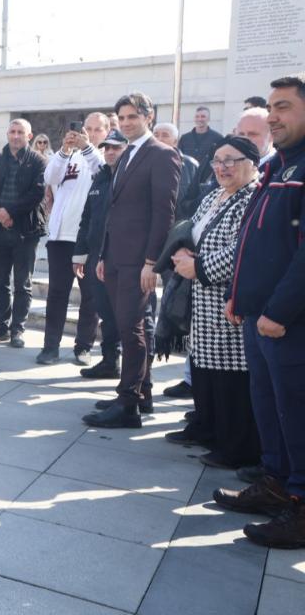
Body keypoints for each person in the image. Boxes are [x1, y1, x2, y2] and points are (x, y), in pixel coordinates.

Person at [213, 74, 305, 549]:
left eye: (285, 107)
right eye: (271, 107)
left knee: (297, 412)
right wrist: (240, 296)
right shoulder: (276, 168)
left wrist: (280, 311)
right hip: (257, 316)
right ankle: (276, 484)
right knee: (270, 407)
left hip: (288, 323)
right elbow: (254, 240)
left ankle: (301, 506)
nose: (273, 116)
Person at [83, 92, 181, 429]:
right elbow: (114, 211)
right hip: (115, 258)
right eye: (121, 118)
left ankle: (128, 405)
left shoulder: (162, 155)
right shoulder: (126, 154)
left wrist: (152, 262)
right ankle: (142, 393)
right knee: (126, 327)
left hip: (139, 261)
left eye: (131, 117)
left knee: (133, 330)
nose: (125, 123)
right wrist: (104, 255)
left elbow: (163, 214)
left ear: (148, 116)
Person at [164, 138, 260, 470]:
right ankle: (206, 428)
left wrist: (200, 266)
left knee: (229, 378)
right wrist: (181, 252)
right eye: (217, 160)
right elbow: (191, 230)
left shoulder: (252, 197)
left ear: (251, 163)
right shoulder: (215, 195)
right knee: (204, 373)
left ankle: (235, 446)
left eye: (231, 161)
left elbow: (243, 249)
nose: (222, 167)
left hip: (225, 303)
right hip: (200, 301)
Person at [38, 122, 104, 365]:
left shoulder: (103, 156)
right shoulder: (68, 155)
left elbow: (103, 171)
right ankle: (50, 346)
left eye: (96, 129)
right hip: (60, 237)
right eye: (86, 128)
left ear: (105, 132)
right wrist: (65, 150)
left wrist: (87, 147)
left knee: (90, 295)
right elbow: (50, 177)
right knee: (57, 293)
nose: (89, 133)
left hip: (86, 239)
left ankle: (83, 346)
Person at [0, 119, 47, 348]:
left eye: (21, 132)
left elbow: (37, 193)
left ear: (29, 136)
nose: (16, 136)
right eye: (12, 131)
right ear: (7, 134)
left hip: (25, 231)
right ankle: (1, 326)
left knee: (22, 283)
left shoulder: (38, 161)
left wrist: (10, 212)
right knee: (0, 282)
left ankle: (17, 329)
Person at [73, 127, 127, 380]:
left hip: (121, 257)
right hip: (95, 255)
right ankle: (109, 360)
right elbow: (88, 217)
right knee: (105, 311)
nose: (110, 152)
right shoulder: (101, 176)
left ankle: (134, 372)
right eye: (107, 147)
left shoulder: (129, 177)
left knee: (122, 314)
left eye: (116, 147)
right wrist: (80, 253)